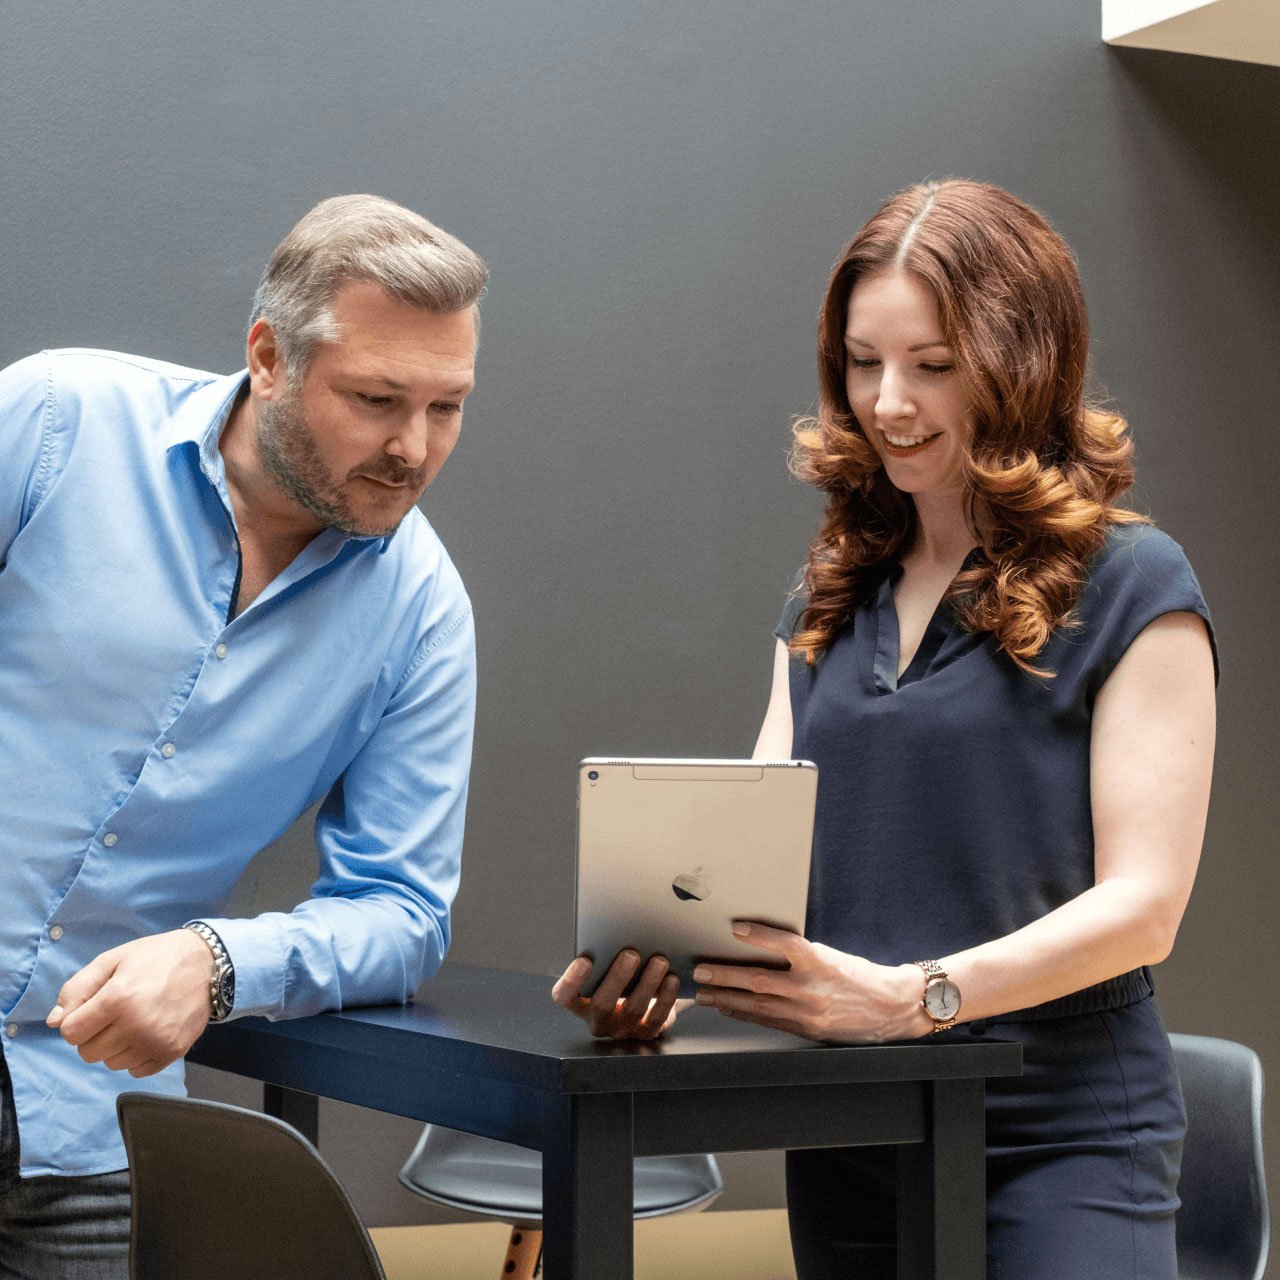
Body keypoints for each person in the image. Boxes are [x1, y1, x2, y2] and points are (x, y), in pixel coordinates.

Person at [553, 178, 1216, 1279]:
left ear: (1023, 360)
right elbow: (751, 868)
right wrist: (659, 971)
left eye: (933, 365)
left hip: (1060, 1135)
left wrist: (917, 999)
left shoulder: (1135, 582)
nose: (888, 401)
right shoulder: (830, 587)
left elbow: (1143, 909)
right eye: (863, 362)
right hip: (852, 1127)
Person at [0, 194, 486, 1277]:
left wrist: (219, 959)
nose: (412, 448)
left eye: (446, 405)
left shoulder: (420, 612)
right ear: (268, 355)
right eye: (374, 399)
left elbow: (402, 913)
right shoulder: (50, 422)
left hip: (88, 1128)